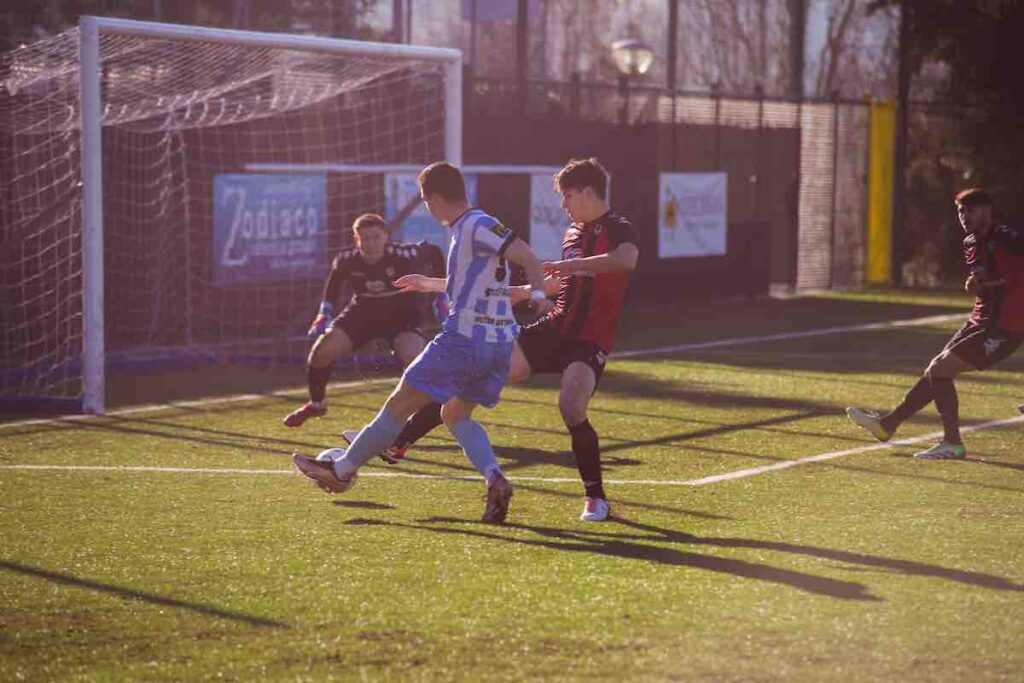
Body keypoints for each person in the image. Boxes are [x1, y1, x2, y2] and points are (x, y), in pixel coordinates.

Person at [347, 157, 639, 522]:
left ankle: (596, 498)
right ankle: (398, 442)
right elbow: (558, 284)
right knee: (459, 392)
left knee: (571, 406)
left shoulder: (619, 227)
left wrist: (565, 267)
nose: (563, 205)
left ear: (586, 192)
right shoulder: (573, 233)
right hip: (552, 329)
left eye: (566, 197)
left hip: (589, 340)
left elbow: (624, 261)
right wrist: (521, 291)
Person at [292, 162, 552, 523]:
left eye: (425, 200)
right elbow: (475, 283)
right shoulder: (475, 226)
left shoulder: (474, 225)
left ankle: (343, 468)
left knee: (399, 403)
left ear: (434, 198)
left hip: (463, 340)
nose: (426, 208)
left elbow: (525, 254)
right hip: (496, 345)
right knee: (455, 414)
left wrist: (538, 292)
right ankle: (495, 478)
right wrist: (429, 284)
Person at [847, 187, 1024, 459]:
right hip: (978, 320)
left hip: (1005, 327)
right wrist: (979, 286)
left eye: (971, 210)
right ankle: (887, 425)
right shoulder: (970, 243)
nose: (964, 216)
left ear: (987, 211)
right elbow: (990, 283)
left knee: (941, 369)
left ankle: (952, 443)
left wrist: (989, 285)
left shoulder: (1007, 239)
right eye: (960, 211)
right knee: (936, 371)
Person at [282, 213, 444, 428]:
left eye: (375, 237)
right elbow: (333, 285)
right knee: (321, 352)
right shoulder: (347, 259)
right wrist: (324, 312)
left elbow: (433, 251)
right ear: (356, 240)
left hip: (401, 312)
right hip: (362, 311)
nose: (370, 243)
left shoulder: (405, 255)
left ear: (386, 237)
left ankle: (426, 412)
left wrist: (441, 295)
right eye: (364, 238)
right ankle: (317, 404)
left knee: (414, 359)